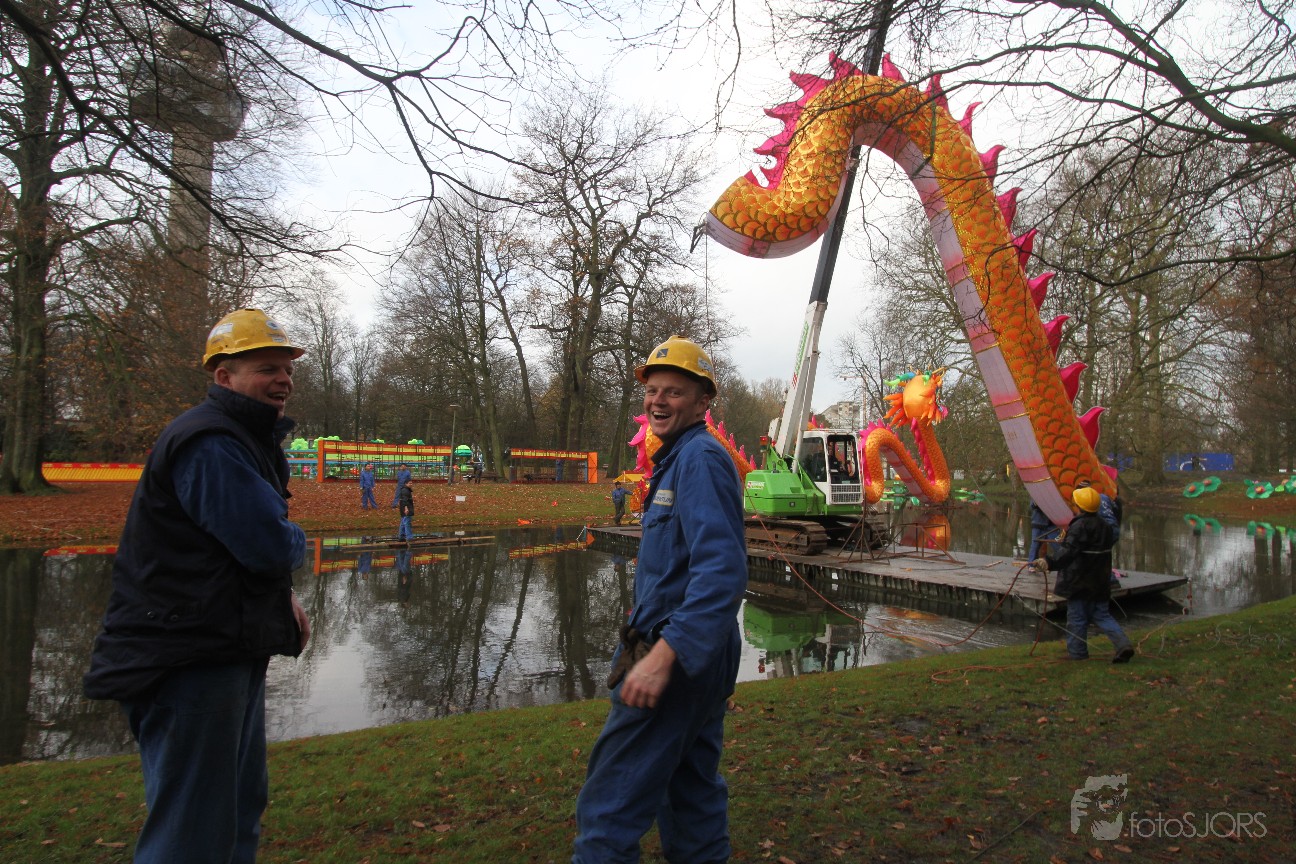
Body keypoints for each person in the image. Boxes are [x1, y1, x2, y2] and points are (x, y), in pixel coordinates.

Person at [83, 308, 311, 864]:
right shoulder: (211, 442)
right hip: (187, 659)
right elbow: (266, 544)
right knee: (193, 828)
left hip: (222, 646)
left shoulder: (243, 437)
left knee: (236, 806)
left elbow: (233, 551)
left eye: (287, 369)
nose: (282, 380)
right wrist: (297, 541)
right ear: (224, 376)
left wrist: (281, 596)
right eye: (266, 368)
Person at [573, 335, 748, 864]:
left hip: (675, 658)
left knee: (610, 805)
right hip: (696, 655)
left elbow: (721, 573)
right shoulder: (676, 460)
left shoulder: (700, 460)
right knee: (690, 791)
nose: (658, 401)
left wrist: (661, 657)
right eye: (653, 390)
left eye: (674, 391)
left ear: (702, 402)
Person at [1032, 486, 1133, 663]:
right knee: (1102, 615)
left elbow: (1068, 552)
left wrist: (1048, 562)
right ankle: (1123, 644)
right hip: (1100, 582)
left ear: (1078, 506)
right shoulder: (1105, 526)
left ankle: (1077, 655)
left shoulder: (1079, 526)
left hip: (1079, 582)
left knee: (1076, 619)